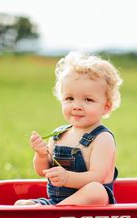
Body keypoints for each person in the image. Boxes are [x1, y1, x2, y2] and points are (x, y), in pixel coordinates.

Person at [15, 52, 122, 206]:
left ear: (106, 107)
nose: (76, 106)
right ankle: (52, 210)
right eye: (69, 98)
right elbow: (42, 171)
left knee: (96, 190)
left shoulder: (102, 138)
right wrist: (41, 155)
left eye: (88, 100)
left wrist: (67, 178)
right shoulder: (59, 135)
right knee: (20, 204)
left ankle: (54, 212)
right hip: (57, 201)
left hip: (92, 206)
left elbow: (97, 176)